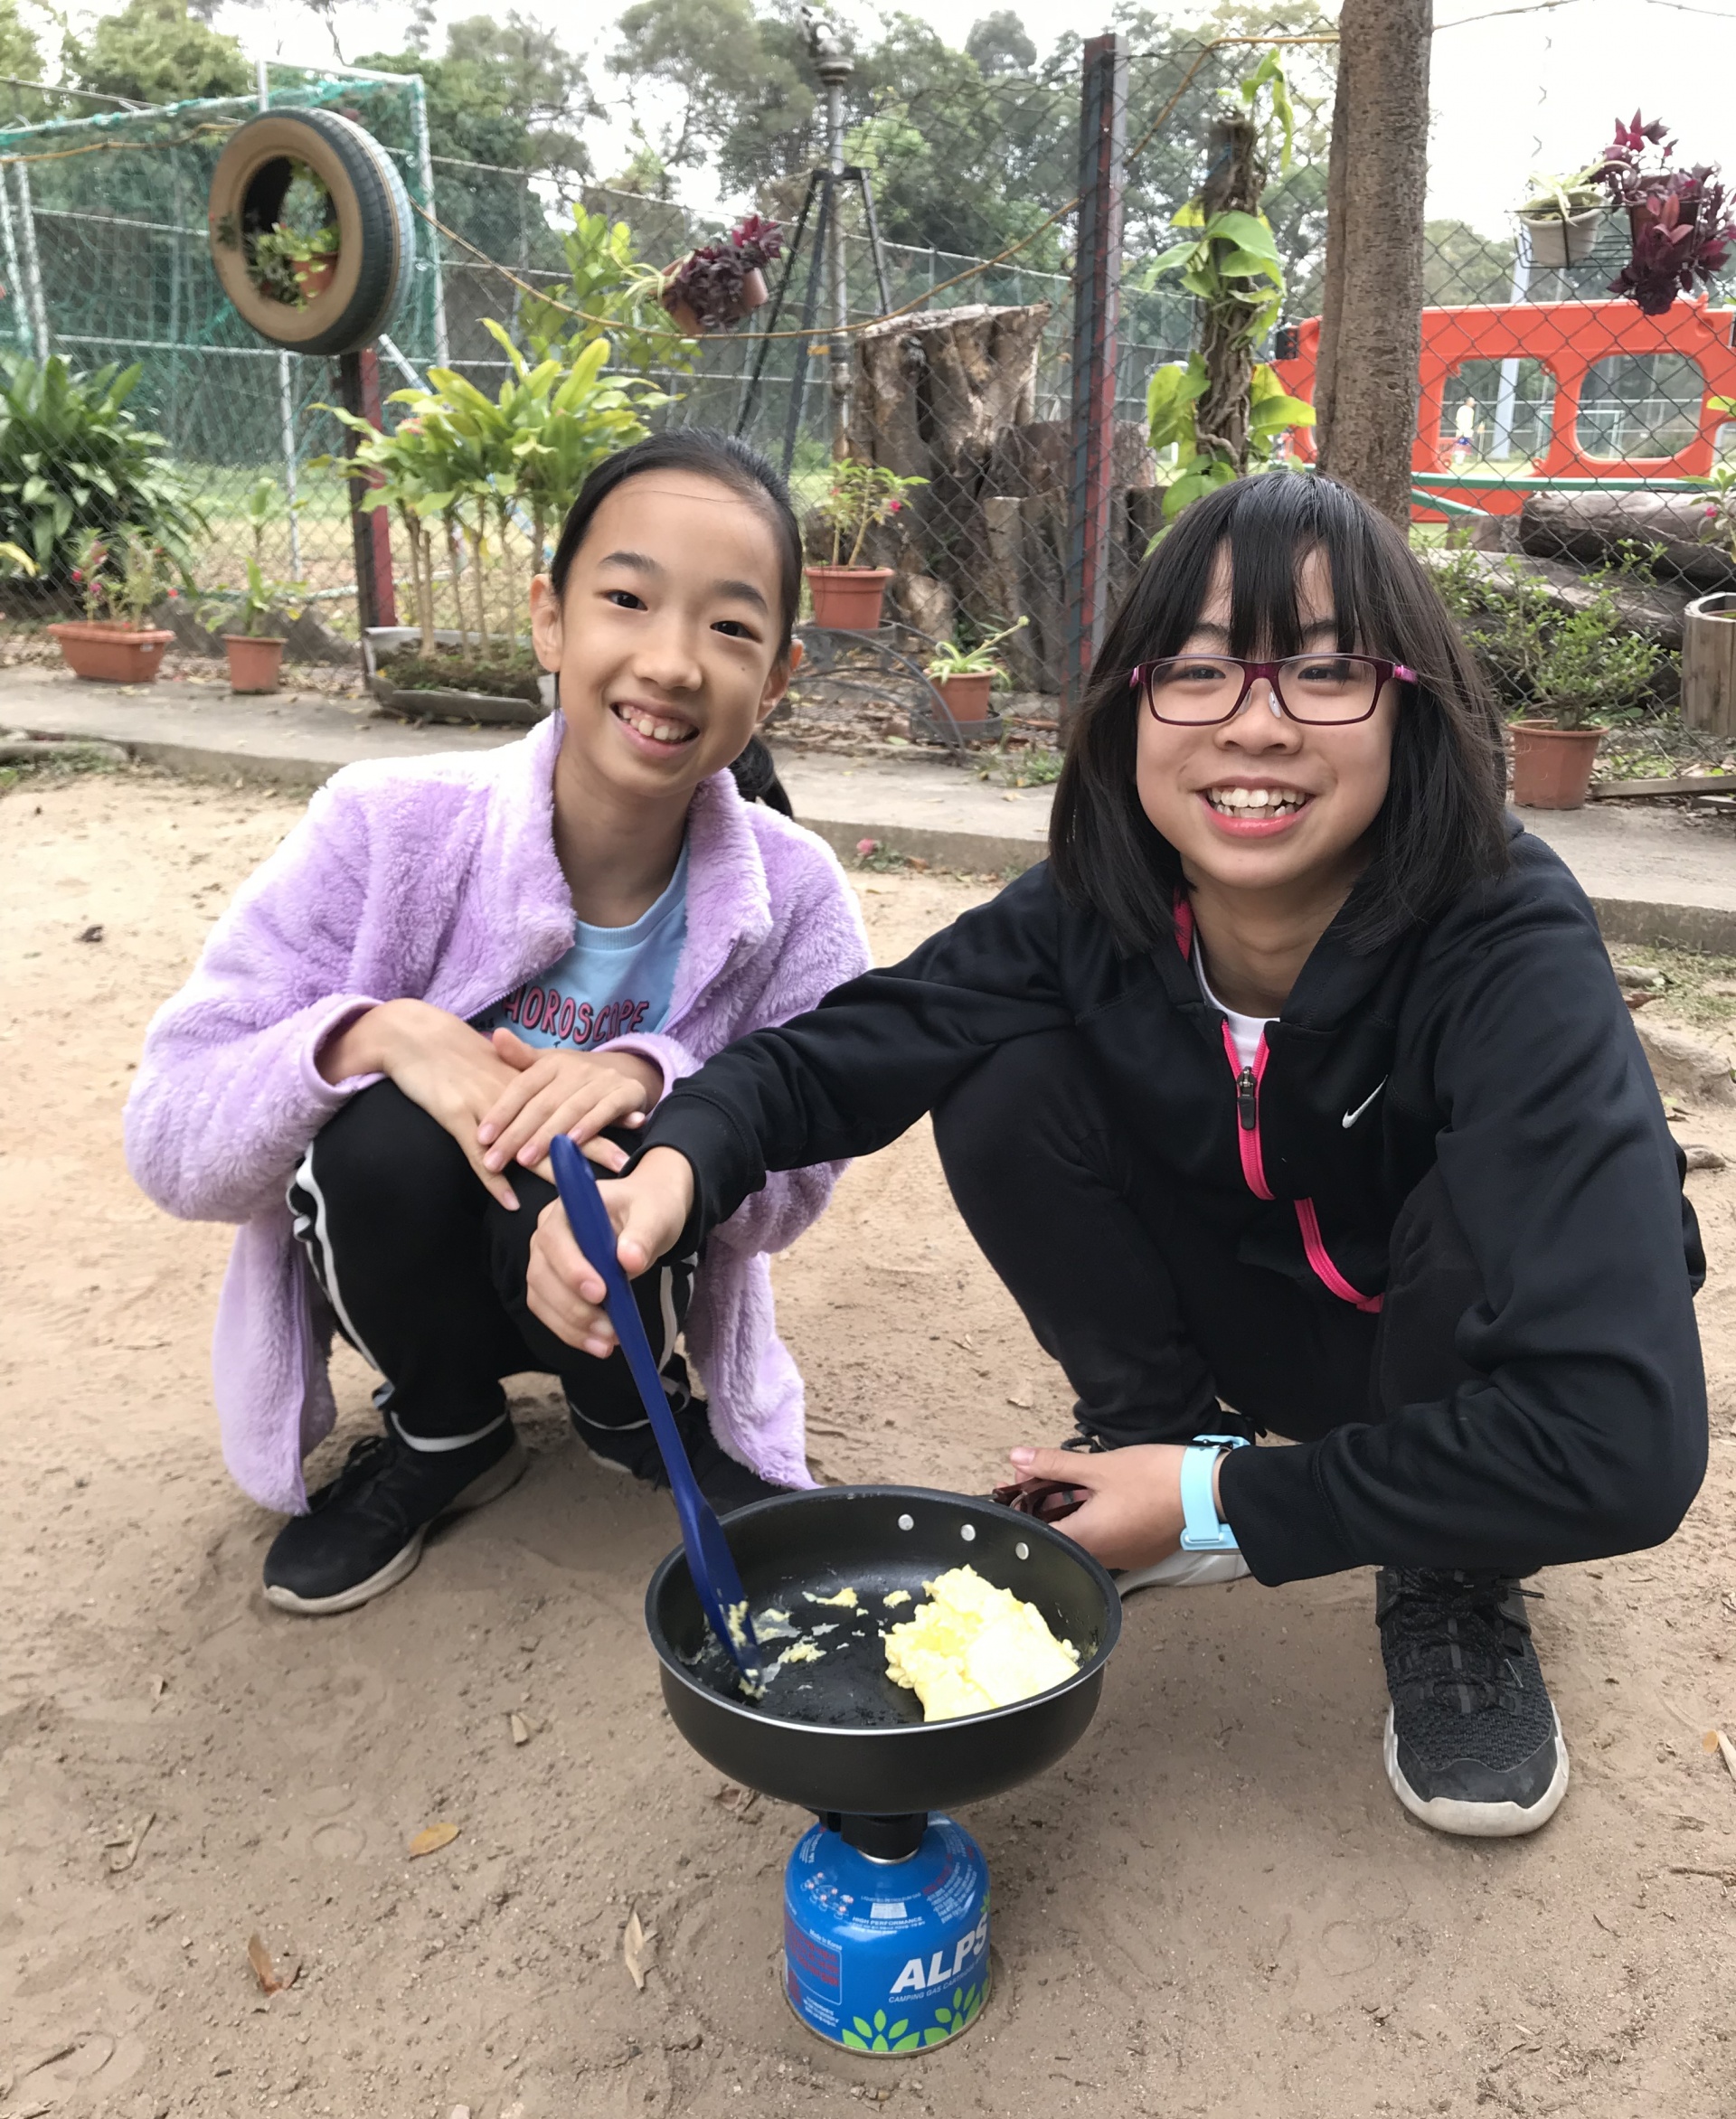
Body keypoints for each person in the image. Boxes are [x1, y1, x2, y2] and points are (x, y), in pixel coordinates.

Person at [522, 467, 1707, 1841]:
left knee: (1474, 1213)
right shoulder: (1099, 906)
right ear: (1131, 709)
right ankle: (1163, 1435)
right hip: (1254, 1320)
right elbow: (850, 1048)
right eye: (1197, 672)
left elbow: (1622, 1442)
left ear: (1411, 709)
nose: (1255, 727)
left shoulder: (1507, 942)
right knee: (998, 1070)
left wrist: (1224, 1504)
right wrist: (675, 1163)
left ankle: (1447, 1573)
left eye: (1326, 673)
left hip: (1438, 1359)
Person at [125, 430, 871, 1616]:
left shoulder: (796, 896)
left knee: (625, 1141)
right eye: (626, 599)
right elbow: (172, 1131)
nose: (672, 662)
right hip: (413, 1263)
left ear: (776, 677)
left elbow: (795, 1185)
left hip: (620, 1282)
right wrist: (376, 1035)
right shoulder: (384, 826)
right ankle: (446, 1431)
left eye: (731, 626)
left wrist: (657, 1079)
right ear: (550, 620)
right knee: (381, 1129)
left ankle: (631, 1412)